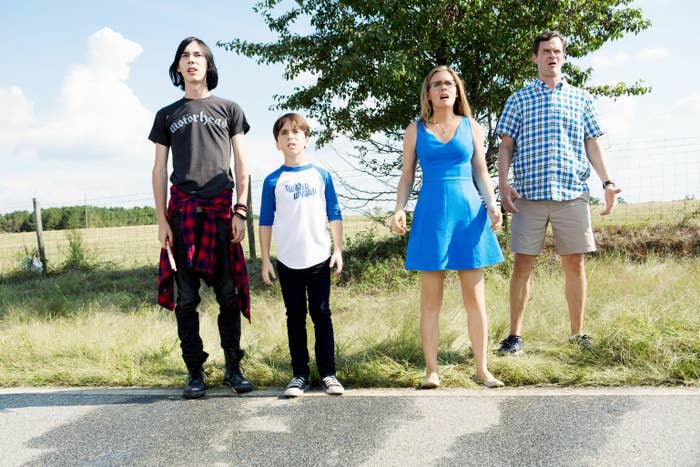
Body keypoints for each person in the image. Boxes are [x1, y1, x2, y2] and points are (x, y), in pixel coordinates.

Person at [496, 31, 622, 355]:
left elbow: (592, 143)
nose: (552, 56)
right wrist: (504, 184)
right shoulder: (518, 99)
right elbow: (506, 146)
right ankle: (514, 337)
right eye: (545, 51)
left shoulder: (581, 99)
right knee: (523, 264)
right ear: (534, 57)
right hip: (528, 195)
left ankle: (578, 335)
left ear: (563, 56)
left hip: (571, 194)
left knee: (575, 264)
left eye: (557, 51)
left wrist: (607, 182)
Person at [150, 37, 254, 399]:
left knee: (228, 296)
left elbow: (242, 163)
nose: (191, 61)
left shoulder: (230, 109)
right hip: (182, 215)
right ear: (177, 67)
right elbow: (160, 168)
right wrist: (162, 221)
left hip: (221, 212)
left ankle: (233, 369)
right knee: (188, 300)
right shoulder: (166, 115)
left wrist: (241, 209)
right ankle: (195, 372)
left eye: (198, 55)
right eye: (185, 56)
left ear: (208, 65)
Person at [391, 65, 505, 389]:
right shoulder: (415, 129)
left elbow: (481, 172)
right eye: (437, 84)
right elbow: (407, 176)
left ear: (457, 92)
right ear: (428, 92)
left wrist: (492, 204)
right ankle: (431, 370)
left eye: (449, 84)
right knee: (430, 299)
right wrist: (399, 209)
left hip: (468, 213)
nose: (443, 88)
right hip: (430, 214)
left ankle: (482, 370)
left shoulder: (472, 126)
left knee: (475, 298)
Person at [259, 112, 345, 397]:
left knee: (322, 314)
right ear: (277, 143)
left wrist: (338, 250)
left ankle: (329, 374)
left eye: (296, 132)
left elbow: (334, 213)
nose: (290, 136)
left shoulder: (321, 175)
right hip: (287, 261)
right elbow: (265, 222)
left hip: (319, 258)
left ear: (306, 140)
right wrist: (265, 260)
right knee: (294, 316)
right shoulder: (273, 181)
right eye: (284, 133)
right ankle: (299, 375)